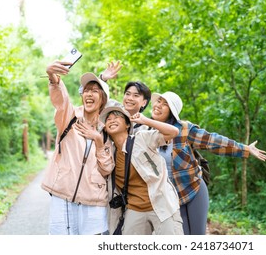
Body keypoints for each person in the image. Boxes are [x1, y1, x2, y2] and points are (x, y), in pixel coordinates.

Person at [150, 91, 266, 235]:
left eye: (165, 104)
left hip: (194, 189)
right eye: (159, 101)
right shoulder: (146, 132)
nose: (159, 105)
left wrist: (245, 149)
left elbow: (213, 141)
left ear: (172, 111)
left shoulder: (184, 129)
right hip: (172, 196)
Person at [41, 60, 113, 235]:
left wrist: (98, 141)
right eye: (86, 90)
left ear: (103, 99)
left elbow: (107, 169)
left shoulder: (106, 131)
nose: (89, 93)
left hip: (93, 202)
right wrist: (53, 78)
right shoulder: (69, 117)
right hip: (63, 196)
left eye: (95, 91)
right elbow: (61, 100)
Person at [100, 101, 184, 235]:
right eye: (108, 119)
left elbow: (173, 132)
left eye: (117, 117)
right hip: (134, 208)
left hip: (161, 204)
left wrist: (145, 121)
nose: (112, 120)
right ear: (105, 128)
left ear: (128, 124)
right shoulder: (109, 153)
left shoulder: (142, 138)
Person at [99, 61, 151, 132]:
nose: (130, 98)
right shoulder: (112, 105)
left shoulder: (144, 127)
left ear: (144, 103)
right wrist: (102, 79)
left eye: (136, 95)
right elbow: (90, 97)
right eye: (128, 94)